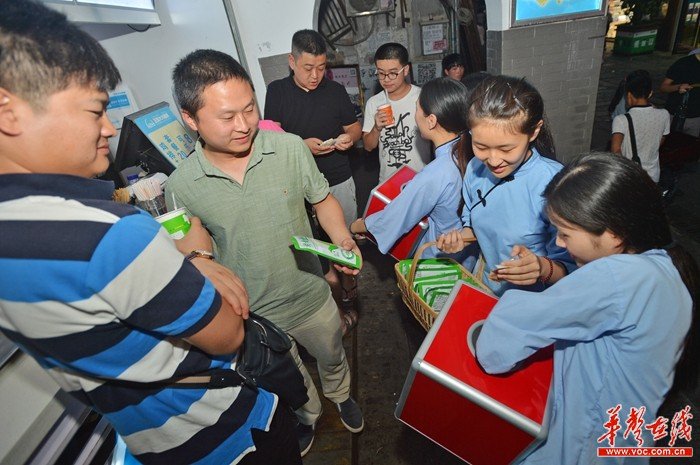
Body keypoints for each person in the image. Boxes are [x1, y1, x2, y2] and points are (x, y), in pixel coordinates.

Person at [0, 1, 301, 464]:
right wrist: (198, 258)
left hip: (153, 440)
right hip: (223, 433)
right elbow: (227, 336)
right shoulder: (110, 238)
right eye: (94, 109)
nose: (107, 127)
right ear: (9, 110)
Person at [166, 49, 364, 458]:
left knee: (331, 352)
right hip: (254, 314)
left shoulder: (290, 148)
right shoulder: (181, 184)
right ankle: (307, 415)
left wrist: (341, 237)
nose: (244, 126)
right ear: (190, 118)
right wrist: (198, 258)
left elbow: (322, 199)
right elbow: (191, 239)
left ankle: (341, 393)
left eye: (250, 109)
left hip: (310, 293)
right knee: (288, 376)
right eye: (226, 117)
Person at [476, 152, 698, 464]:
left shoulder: (618, 276)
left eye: (565, 233)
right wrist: (545, 268)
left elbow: (502, 340)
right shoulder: (661, 268)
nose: (560, 243)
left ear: (615, 234)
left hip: (580, 448)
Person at [437, 76, 575, 296]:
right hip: (487, 288)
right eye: (481, 146)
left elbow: (575, 267)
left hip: (535, 302)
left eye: (506, 149)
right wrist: (460, 238)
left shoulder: (555, 183)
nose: (492, 160)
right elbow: (473, 222)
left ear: (534, 131)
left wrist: (542, 268)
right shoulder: (474, 168)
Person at [264, 29, 361, 330]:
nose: (316, 75)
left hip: (337, 178)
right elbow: (271, 135)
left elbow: (355, 128)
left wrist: (348, 137)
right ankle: (325, 300)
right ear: (292, 62)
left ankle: (349, 291)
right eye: (308, 68)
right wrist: (300, 145)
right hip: (297, 184)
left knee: (344, 241)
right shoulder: (277, 91)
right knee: (311, 248)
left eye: (321, 68)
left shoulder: (334, 91)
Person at [350, 78, 475, 267]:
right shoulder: (467, 153)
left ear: (431, 120)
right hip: (468, 257)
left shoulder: (436, 173)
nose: (415, 116)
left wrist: (356, 226)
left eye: (417, 109)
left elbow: (392, 218)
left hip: (440, 262)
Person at [362, 43, 431, 184]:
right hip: (388, 181)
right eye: (381, 73)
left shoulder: (422, 97)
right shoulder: (374, 102)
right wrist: (376, 128)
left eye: (393, 73)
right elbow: (368, 146)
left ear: (405, 70)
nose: (386, 79)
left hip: (420, 179)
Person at [611, 69, 670, 183]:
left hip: (630, 177)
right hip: (653, 175)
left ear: (628, 95)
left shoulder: (621, 120)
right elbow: (661, 139)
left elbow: (616, 150)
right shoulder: (664, 114)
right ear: (650, 93)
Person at [660, 49, 700, 137]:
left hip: (696, 120)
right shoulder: (683, 63)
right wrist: (678, 87)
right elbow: (663, 87)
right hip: (674, 116)